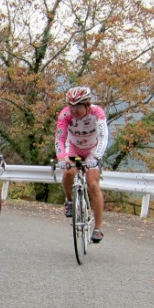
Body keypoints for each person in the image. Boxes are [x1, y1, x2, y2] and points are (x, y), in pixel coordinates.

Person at [55, 86, 108, 242]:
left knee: (93, 184)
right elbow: (59, 138)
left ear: (87, 104)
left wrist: (96, 157)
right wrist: (61, 158)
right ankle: (69, 200)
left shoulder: (97, 113)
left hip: (92, 149)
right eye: (71, 106)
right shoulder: (65, 115)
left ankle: (98, 228)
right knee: (69, 172)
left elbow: (104, 137)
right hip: (73, 147)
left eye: (77, 106)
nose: (73, 110)